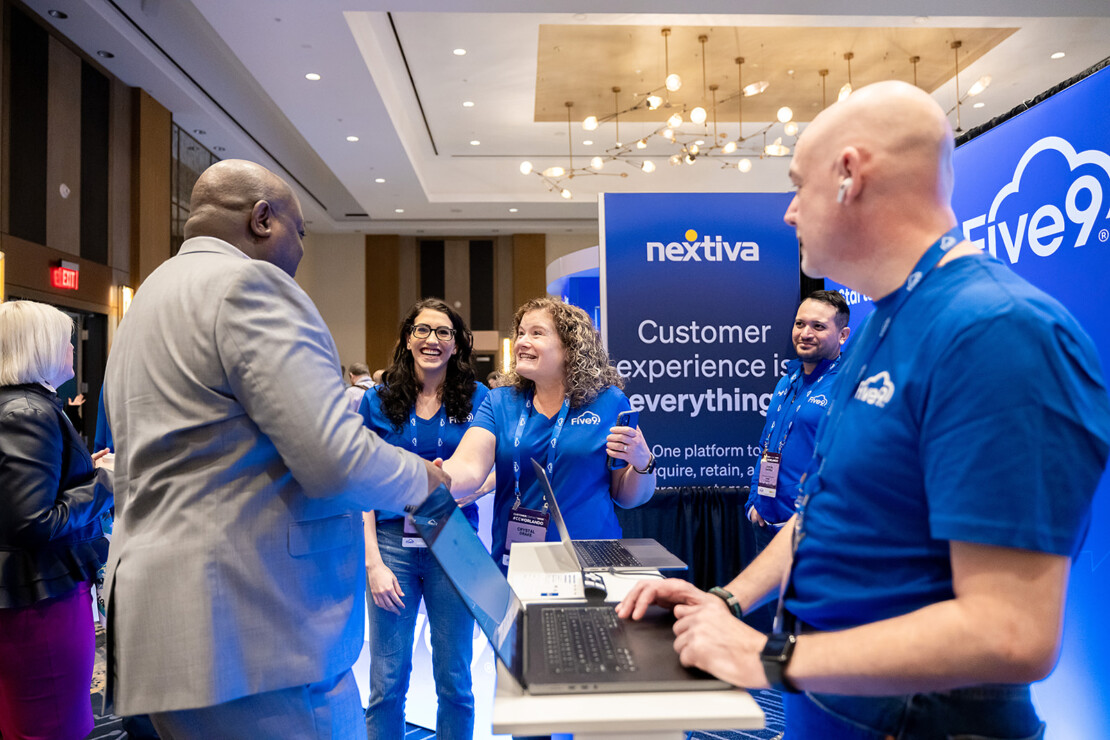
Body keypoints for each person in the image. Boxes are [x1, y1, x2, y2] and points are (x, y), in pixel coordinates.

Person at [617, 80, 1110, 739]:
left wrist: (769, 656)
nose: (789, 213)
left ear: (849, 174)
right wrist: (726, 602)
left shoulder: (998, 330)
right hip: (833, 707)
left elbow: (1011, 631)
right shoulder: (885, 325)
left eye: (798, 185)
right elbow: (824, 511)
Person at [102, 159, 448, 739]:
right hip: (254, 631)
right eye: (301, 234)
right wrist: (425, 481)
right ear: (262, 219)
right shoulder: (250, 285)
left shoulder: (150, 296)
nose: (301, 253)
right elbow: (334, 461)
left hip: (166, 623)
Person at [443, 296, 656, 571]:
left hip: (593, 560)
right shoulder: (499, 402)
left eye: (536, 333)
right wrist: (431, 476)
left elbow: (627, 497)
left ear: (570, 348)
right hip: (518, 561)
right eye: (520, 333)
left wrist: (642, 463)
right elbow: (469, 468)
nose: (521, 342)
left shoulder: (609, 402)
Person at [359, 298, 488, 740]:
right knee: (386, 684)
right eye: (423, 330)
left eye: (444, 332)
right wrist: (373, 562)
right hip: (393, 543)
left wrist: (463, 484)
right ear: (407, 339)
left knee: (456, 681)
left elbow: (488, 472)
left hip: (454, 540)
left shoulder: (477, 398)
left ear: (456, 345)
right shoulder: (375, 400)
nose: (432, 340)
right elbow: (361, 488)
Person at [0, 300, 114, 740]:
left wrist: (86, 470)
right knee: (52, 724)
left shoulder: (22, 405)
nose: (71, 348)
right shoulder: (29, 411)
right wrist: (106, 483)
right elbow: (32, 522)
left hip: (27, 593)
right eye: (65, 340)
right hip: (39, 598)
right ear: (40, 347)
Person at [743, 290, 849, 630]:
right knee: (776, 628)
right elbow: (767, 443)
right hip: (767, 523)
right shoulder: (787, 380)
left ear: (842, 335)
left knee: (810, 631)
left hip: (808, 532)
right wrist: (754, 501)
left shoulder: (847, 385)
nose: (805, 333)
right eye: (800, 323)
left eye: (818, 326)